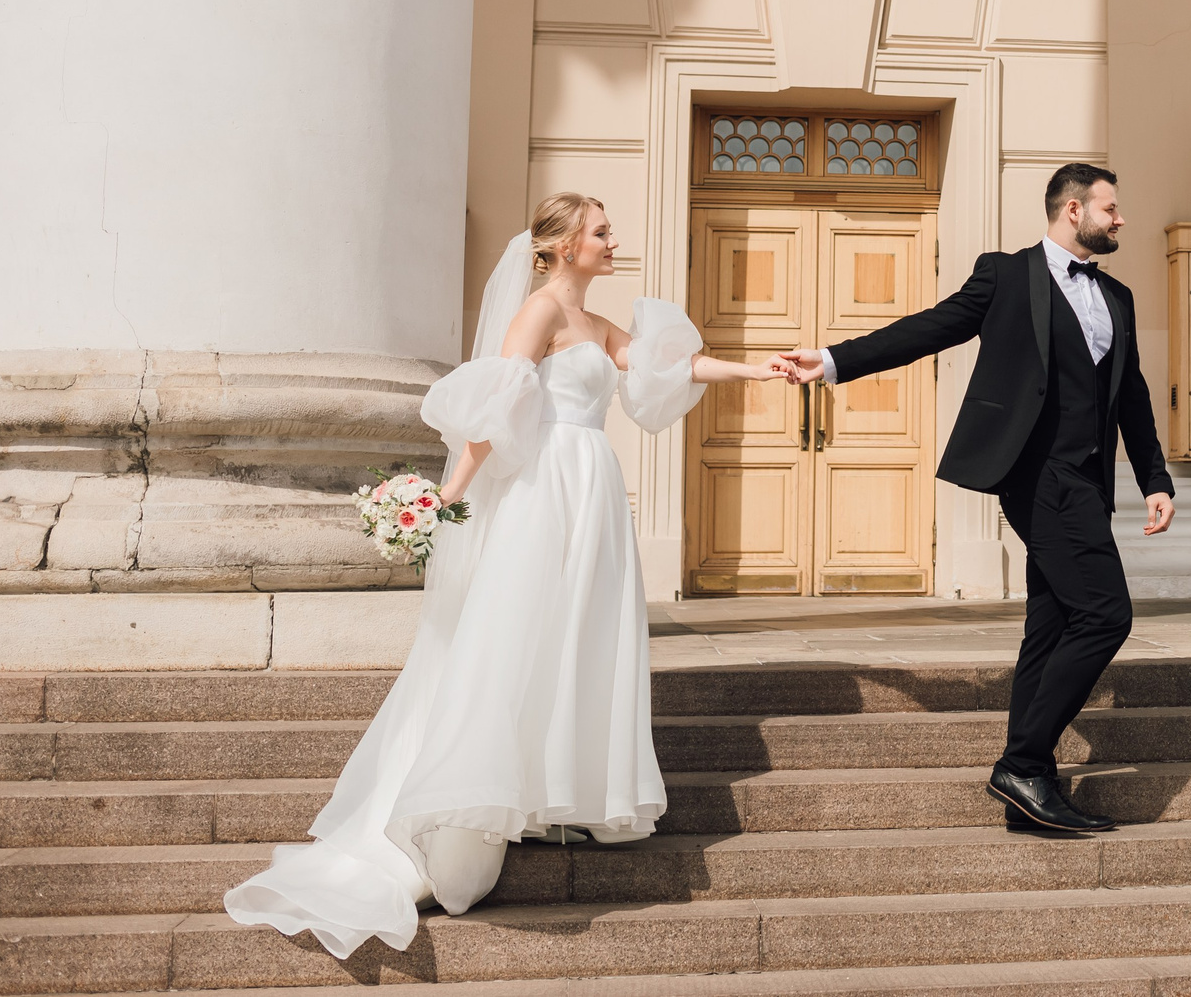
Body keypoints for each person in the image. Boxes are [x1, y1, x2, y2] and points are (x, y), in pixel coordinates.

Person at [225, 194, 792, 957]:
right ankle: (464, 801)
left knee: (576, 637)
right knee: (518, 634)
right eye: (600, 230)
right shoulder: (539, 313)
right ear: (560, 245)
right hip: (546, 492)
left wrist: (762, 367)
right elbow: (498, 406)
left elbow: (668, 361)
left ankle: (551, 788)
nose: (612, 239)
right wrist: (450, 491)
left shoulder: (593, 319)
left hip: (591, 493)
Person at [782, 163, 1175, 834]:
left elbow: (1129, 396)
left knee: (1049, 628)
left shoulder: (1119, 298)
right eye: (1111, 207)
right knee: (1107, 614)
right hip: (1036, 476)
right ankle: (1022, 761)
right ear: (1073, 210)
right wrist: (834, 359)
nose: (1121, 219)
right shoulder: (1006, 275)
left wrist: (1155, 477)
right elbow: (929, 328)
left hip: (1086, 481)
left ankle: (1033, 789)